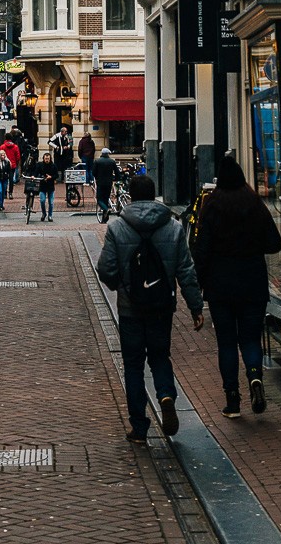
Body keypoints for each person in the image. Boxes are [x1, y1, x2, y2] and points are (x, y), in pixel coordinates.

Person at [96, 175, 204, 445]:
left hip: (130, 308)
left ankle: (139, 427)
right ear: (154, 194)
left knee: (133, 365)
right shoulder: (173, 227)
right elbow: (186, 270)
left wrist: (122, 286)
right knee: (160, 356)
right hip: (161, 306)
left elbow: (105, 268)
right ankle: (166, 394)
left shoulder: (118, 227)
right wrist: (195, 306)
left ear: (130, 196)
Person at [194, 155, 281, 417]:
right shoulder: (254, 203)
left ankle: (232, 401)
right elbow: (274, 244)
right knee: (251, 339)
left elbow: (202, 250)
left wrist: (198, 286)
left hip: (220, 285)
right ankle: (255, 377)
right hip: (252, 282)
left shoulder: (211, 205)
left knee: (227, 343)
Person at [92, 146, 120, 217]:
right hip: (109, 182)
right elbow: (117, 172)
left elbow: (93, 173)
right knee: (106, 198)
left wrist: (97, 177)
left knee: (99, 199)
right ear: (108, 154)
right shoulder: (112, 161)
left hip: (100, 182)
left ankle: (105, 209)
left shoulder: (97, 161)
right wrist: (116, 179)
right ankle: (105, 215)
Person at [35, 152, 56, 222]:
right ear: (43, 159)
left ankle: (50, 215)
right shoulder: (40, 165)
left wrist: (51, 177)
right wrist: (34, 176)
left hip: (50, 186)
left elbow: (57, 175)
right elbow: (36, 172)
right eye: (46, 158)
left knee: (51, 202)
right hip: (42, 186)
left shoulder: (53, 166)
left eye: (48, 158)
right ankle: (44, 213)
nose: (47, 160)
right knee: (42, 200)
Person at [0, 133, 21, 199]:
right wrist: (16, 163)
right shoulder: (15, 147)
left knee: (4, 179)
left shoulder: (2, 146)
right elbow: (18, 157)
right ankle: (10, 193)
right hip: (12, 165)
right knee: (11, 179)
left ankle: (5, 193)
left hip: (4, 165)